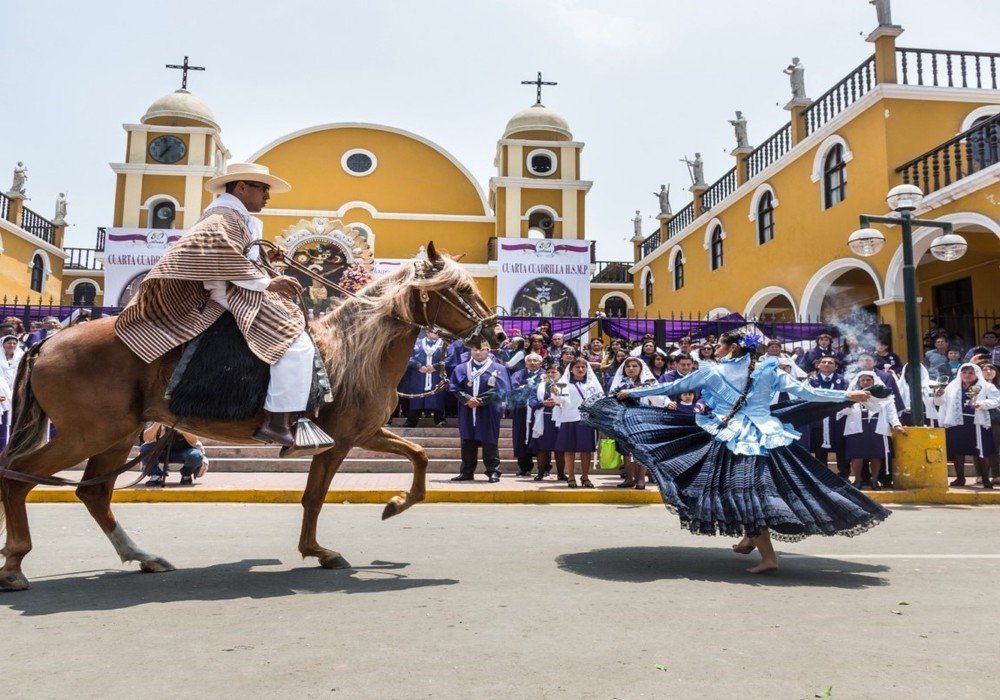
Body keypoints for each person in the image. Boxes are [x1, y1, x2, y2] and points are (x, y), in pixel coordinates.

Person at [597, 331, 884, 574]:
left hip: (731, 436)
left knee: (744, 492)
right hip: (769, 435)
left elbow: (673, 386)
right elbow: (807, 393)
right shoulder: (769, 369)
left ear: (732, 348)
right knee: (758, 488)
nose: (715, 351)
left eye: (720, 346)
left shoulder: (712, 371)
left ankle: (769, 557)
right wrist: (846, 395)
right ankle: (750, 539)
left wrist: (630, 394)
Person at [114, 163, 322, 448]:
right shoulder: (223, 215)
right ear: (241, 187)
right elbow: (216, 255)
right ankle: (276, 422)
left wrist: (266, 262)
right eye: (263, 189)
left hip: (238, 289)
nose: (267, 196)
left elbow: (231, 256)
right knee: (297, 344)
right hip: (231, 295)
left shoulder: (233, 216)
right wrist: (266, 283)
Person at [449, 346, 510, 483]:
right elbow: (454, 387)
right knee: (467, 439)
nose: (477, 352)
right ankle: (467, 471)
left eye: (481, 349)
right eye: (474, 349)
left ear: (488, 350)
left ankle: (493, 471)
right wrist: (467, 399)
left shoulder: (498, 368)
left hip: (489, 410)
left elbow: (501, 389)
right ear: (470, 351)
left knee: (489, 439)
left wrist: (481, 400)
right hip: (467, 408)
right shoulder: (461, 368)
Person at [936, 363, 1000, 488]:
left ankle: (986, 479)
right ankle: (960, 478)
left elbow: (997, 400)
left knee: (982, 452)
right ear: (960, 373)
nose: (967, 375)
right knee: (958, 451)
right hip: (957, 422)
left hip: (978, 422)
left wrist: (981, 404)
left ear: (976, 374)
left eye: (971, 373)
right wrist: (938, 396)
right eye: (964, 372)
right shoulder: (951, 387)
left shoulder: (986, 386)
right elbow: (941, 404)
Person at [839, 371, 906, 490]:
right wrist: (852, 402)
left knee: (876, 455)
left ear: (874, 381)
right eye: (862, 380)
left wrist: (896, 425)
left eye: (868, 380)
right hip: (856, 427)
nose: (865, 382)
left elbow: (891, 411)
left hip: (877, 426)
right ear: (859, 382)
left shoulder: (884, 394)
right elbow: (843, 411)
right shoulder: (851, 394)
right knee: (856, 455)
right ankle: (858, 480)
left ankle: (874, 481)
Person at [553, 358, 604, 488]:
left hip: (587, 420)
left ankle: (585, 477)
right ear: (571, 369)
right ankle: (571, 477)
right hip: (569, 418)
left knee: (586, 450)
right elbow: (559, 400)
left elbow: (600, 400)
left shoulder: (593, 383)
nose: (581, 369)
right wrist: (555, 393)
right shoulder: (563, 383)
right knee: (569, 449)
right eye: (577, 367)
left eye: (583, 367)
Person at [608, 357, 657, 489]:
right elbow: (611, 398)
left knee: (640, 449)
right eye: (628, 366)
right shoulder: (618, 382)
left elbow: (658, 396)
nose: (631, 369)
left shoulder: (647, 382)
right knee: (625, 450)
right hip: (623, 419)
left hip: (642, 419)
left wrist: (668, 402)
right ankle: (629, 478)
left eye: (635, 366)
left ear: (640, 369)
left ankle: (641, 479)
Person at [809, 356, 849, 478]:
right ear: (818, 365)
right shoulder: (811, 381)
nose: (826, 364)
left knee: (841, 449)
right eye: (823, 362)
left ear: (836, 367)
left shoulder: (843, 381)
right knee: (820, 451)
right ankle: (823, 478)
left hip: (838, 420)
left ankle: (844, 476)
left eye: (830, 363)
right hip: (819, 420)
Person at [139, 422, 209, 486]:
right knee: (145, 449)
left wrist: (179, 426)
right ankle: (156, 475)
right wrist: (158, 422)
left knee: (196, 455)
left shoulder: (186, 416)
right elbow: (146, 438)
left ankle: (186, 475)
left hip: (183, 452)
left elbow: (194, 439)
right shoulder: (155, 414)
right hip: (161, 452)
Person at [402, 330, 447, 427]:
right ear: (427, 332)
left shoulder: (445, 344)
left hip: (436, 375)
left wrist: (436, 366)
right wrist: (418, 366)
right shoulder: (416, 342)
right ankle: (412, 420)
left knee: (437, 397)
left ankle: (439, 419)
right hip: (419, 375)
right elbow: (408, 355)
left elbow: (450, 358)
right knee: (417, 397)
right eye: (434, 331)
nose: (437, 333)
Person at [530, 363, 566, 481]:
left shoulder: (565, 385)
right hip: (544, 420)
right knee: (542, 448)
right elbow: (532, 401)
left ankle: (561, 474)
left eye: (554, 372)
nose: (550, 374)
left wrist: (559, 402)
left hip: (560, 420)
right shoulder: (539, 386)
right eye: (548, 372)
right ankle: (540, 472)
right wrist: (543, 403)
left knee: (560, 449)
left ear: (560, 374)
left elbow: (571, 402)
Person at [509, 353, 544, 476]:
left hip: (539, 410)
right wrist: (525, 387)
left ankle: (543, 468)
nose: (532, 363)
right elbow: (513, 389)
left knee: (541, 437)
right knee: (521, 437)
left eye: (535, 360)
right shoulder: (518, 374)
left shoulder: (545, 375)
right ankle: (524, 467)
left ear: (540, 363)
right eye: (530, 360)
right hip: (522, 410)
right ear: (525, 363)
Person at [981, 364, 1000, 481]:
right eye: (985, 369)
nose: (988, 371)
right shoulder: (978, 386)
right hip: (990, 419)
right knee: (992, 448)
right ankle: (995, 475)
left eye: (991, 369)